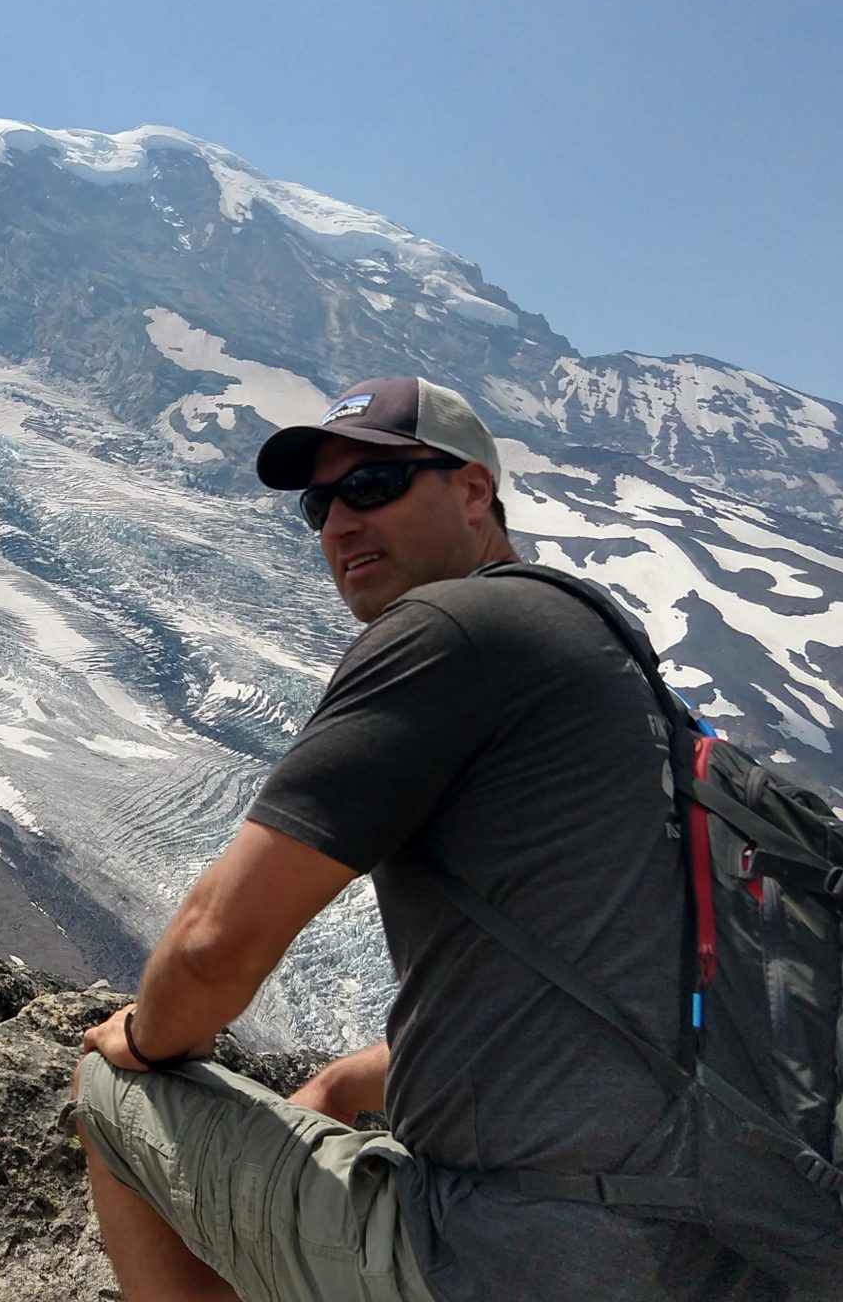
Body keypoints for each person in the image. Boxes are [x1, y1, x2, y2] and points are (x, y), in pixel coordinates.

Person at [66, 377, 780, 1302]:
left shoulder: (448, 633)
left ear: (474, 491)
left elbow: (214, 944)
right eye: (321, 504)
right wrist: (335, 1086)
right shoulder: (610, 656)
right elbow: (575, 997)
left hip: (519, 1261)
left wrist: (141, 1039)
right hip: (720, 1247)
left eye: (373, 486)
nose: (339, 524)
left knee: (108, 1094)